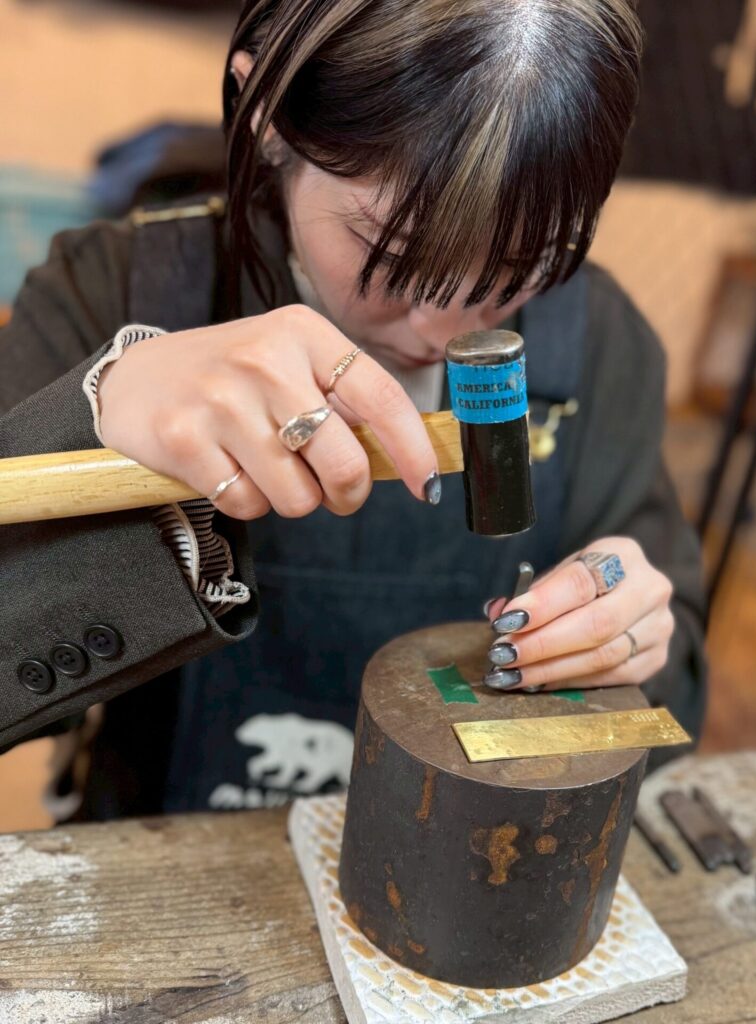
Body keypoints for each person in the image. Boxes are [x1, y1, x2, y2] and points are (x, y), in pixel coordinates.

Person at [0, 0, 707, 820]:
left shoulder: (601, 346)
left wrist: (628, 641)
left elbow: (679, 692)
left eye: (523, 266)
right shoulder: (108, 292)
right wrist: (94, 415)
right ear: (266, 112)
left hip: (462, 858)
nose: (444, 331)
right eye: (392, 256)